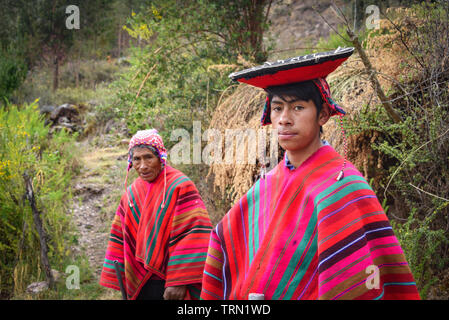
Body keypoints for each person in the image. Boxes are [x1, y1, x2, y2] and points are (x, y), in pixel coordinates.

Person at [200, 48, 420, 300]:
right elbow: (225, 236)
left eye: (298, 107)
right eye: (278, 108)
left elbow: (356, 279)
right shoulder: (268, 183)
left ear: (323, 114)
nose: (284, 119)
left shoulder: (345, 187)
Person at [100, 129, 212, 300]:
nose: (143, 166)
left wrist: (178, 280)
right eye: (136, 159)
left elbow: (194, 233)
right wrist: (122, 274)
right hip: (142, 284)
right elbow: (120, 236)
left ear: (161, 157)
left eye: (148, 157)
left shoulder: (180, 186)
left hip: (170, 282)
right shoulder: (131, 193)